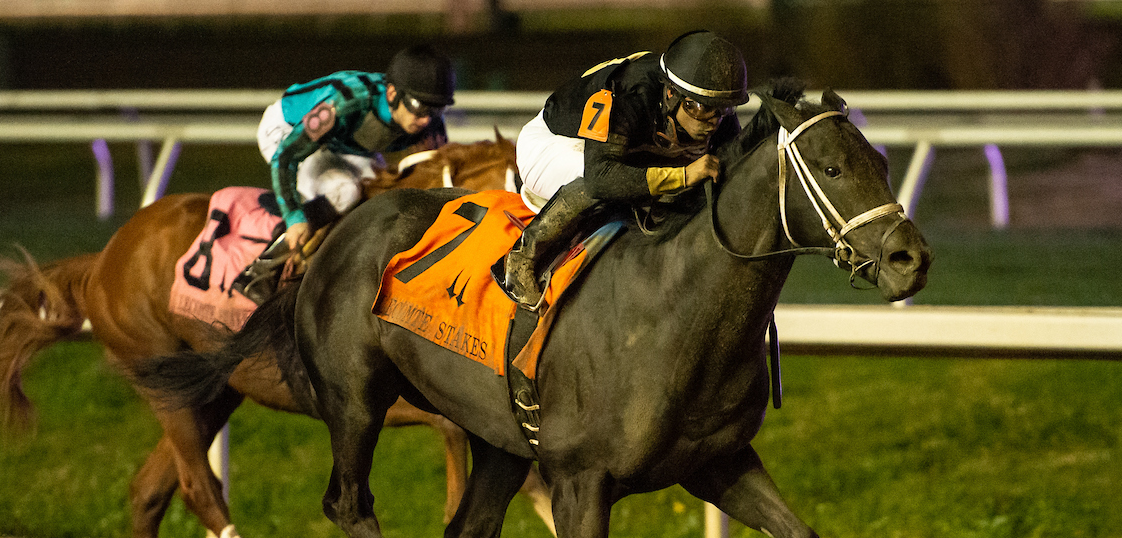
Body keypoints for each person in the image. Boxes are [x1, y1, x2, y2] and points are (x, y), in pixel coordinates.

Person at [503, 30, 749, 309]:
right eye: (703, 109)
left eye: (723, 109)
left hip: (611, 151)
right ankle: (520, 261)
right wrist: (683, 175)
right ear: (671, 93)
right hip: (552, 144)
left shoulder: (717, 115)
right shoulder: (630, 94)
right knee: (616, 181)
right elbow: (600, 178)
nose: (713, 122)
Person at [233, 45, 456, 304]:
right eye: (418, 106)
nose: (426, 120)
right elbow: (287, 157)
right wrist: (294, 216)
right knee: (346, 191)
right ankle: (259, 272)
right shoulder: (346, 102)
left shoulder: (428, 121)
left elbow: (438, 176)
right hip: (286, 132)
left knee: (378, 189)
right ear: (393, 93)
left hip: (342, 143)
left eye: (436, 109)